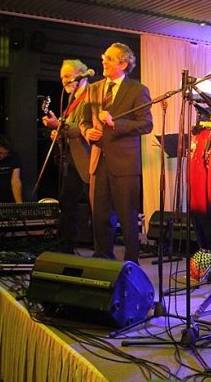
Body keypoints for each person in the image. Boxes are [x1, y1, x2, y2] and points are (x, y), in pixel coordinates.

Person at [80, 43, 153, 263]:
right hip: (98, 161)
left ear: (123, 63)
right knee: (100, 216)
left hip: (125, 164)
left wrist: (116, 124)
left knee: (127, 217)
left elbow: (146, 124)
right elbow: (84, 121)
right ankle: (103, 259)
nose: (104, 61)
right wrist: (87, 132)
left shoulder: (137, 90)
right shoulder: (93, 89)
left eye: (110, 58)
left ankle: (131, 263)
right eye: (104, 57)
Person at [42, 60, 92, 253]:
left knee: (96, 206)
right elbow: (69, 128)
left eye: (67, 76)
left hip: (88, 158)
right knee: (67, 202)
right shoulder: (72, 99)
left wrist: (59, 126)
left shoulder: (91, 95)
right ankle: (66, 246)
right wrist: (59, 131)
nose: (63, 80)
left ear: (81, 75)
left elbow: (83, 127)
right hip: (71, 159)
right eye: (62, 77)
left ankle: (101, 249)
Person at [0, 134, 23, 204]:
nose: (2, 156)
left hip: (9, 199)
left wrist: (19, 203)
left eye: (5, 153)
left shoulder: (14, 157)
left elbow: (15, 181)